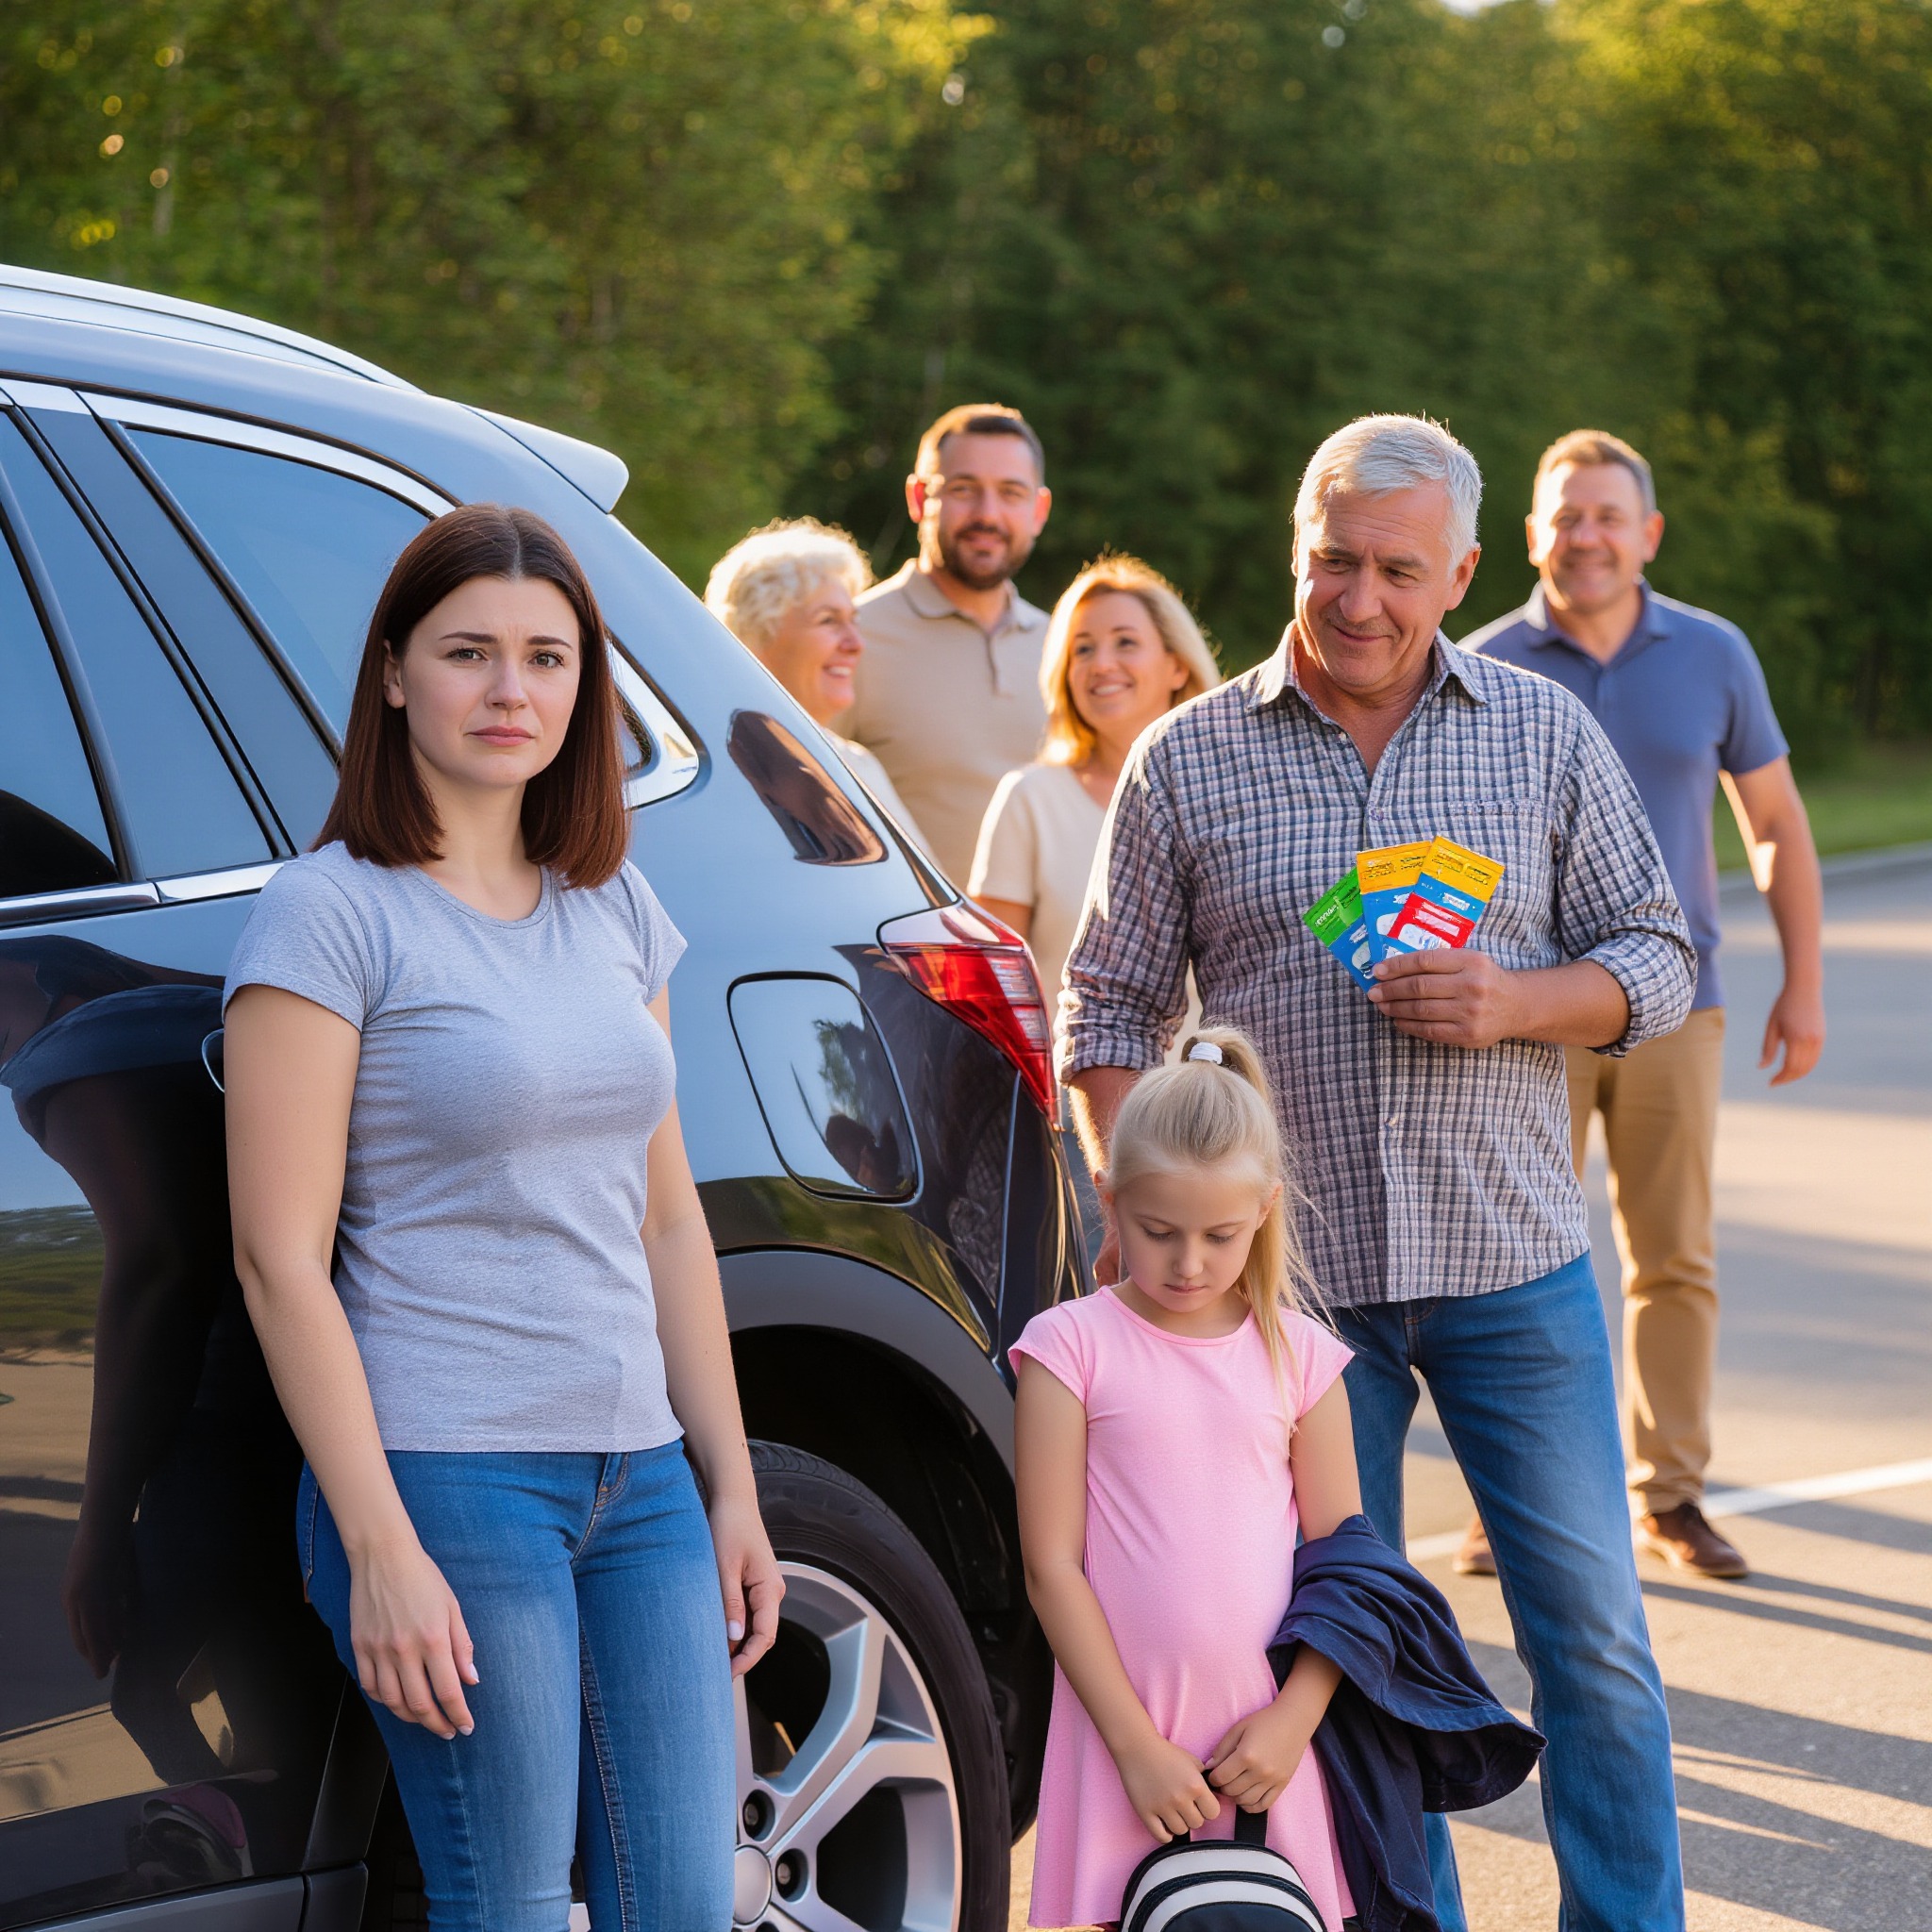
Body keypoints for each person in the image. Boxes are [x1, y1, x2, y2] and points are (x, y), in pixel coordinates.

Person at [1059, 414, 1698, 1932]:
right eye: (1333, 560)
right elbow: (1103, 1006)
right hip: (1293, 1308)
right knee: (1332, 1661)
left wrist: (1521, 1000)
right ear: (1296, 546)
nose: (1359, 598)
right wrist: (1141, 1216)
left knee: (1594, 1641)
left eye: (1398, 570)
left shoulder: (1540, 733)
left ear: (1465, 571)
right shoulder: (1189, 754)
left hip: (1512, 1267)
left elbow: (1660, 957)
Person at [223, 504, 781, 1931]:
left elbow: (667, 1224)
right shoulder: (328, 918)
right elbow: (278, 1259)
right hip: (448, 1476)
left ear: (584, 686)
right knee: (512, 1908)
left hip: (639, 1479)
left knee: (684, 1906)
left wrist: (728, 1484)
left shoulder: (615, 908)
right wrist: (377, 1543)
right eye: (469, 653)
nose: (510, 690)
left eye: (546, 657)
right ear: (397, 673)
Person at [1465, 429, 1825, 1581]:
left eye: (1607, 515)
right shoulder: (1478, 662)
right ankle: (1503, 1501)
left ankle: (1669, 1493)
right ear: (1530, 534)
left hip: (1681, 1006)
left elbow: (1773, 824)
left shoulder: (1713, 654)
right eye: (1564, 516)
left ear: (1647, 532)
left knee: (1672, 1260)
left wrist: (1800, 982)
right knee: (1511, 1260)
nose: (1586, 536)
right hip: (1527, 1012)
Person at [1011, 1028, 1362, 1932]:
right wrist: (1133, 1747)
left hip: (1268, 1758)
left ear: (1266, 1212)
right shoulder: (1070, 1349)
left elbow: (1346, 1571)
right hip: (1121, 1745)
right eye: (1157, 1232)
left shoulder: (1305, 1360)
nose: (1190, 1263)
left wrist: (1295, 1722)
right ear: (1109, 1200)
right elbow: (1052, 1567)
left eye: (1221, 1235)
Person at [971, 553, 1220, 1005]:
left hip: (1221, 1075)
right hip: (1069, 1075)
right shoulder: (1029, 799)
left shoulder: (1232, 792)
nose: (1101, 663)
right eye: (1082, 648)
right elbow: (993, 984)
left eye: (1125, 642)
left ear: (1177, 666)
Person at [843, 402, 1054, 881]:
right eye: (963, 489)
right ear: (919, 498)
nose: (988, 514)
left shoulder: (1071, 651)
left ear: (1039, 510)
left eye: (1011, 493)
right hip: (901, 951)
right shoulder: (849, 638)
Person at [704, 517, 929, 849]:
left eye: (854, 621)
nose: (856, 643)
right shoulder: (715, 772)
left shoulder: (856, 763)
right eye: (829, 621)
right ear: (754, 637)